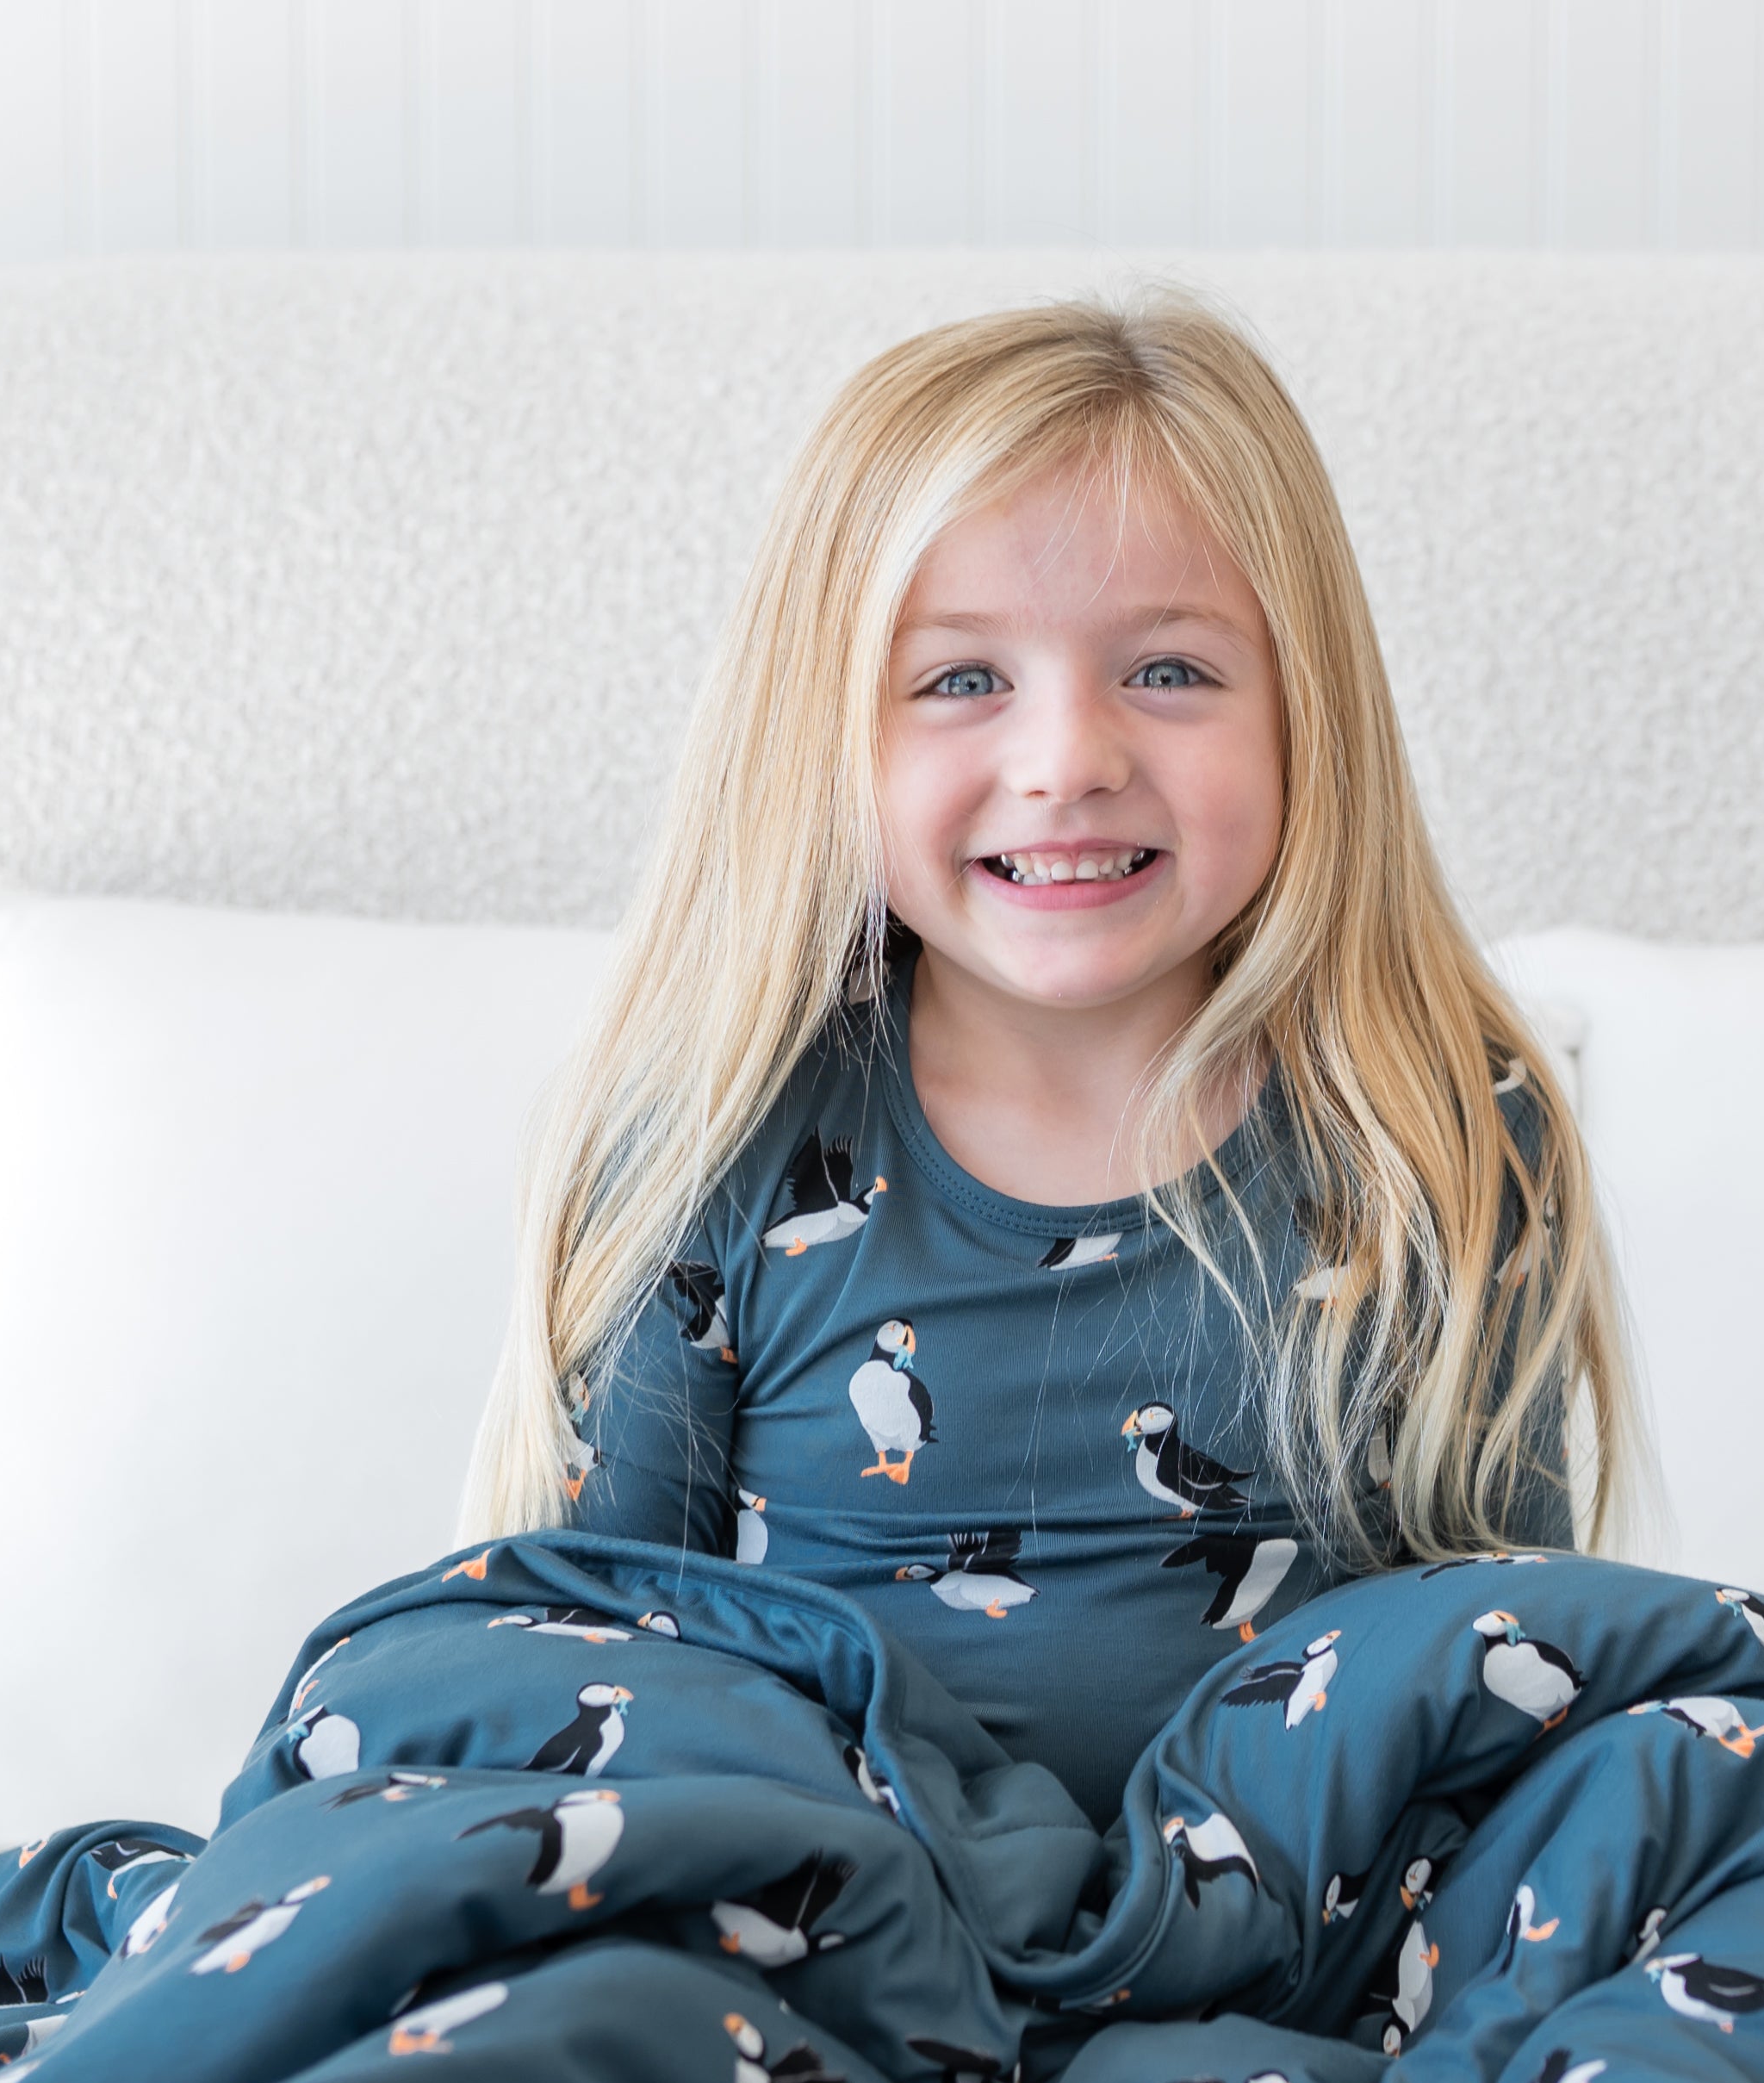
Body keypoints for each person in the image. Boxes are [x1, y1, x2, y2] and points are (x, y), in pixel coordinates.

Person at [462, 293, 1636, 1824]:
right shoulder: (710, 1143)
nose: (1068, 756)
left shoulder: (1438, 1128)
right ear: (823, 736)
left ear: (1306, 713)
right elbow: (581, 1683)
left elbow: (1518, 1692)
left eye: (1169, 670)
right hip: (821, 1937)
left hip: (1315, 1949)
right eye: (961, 680)